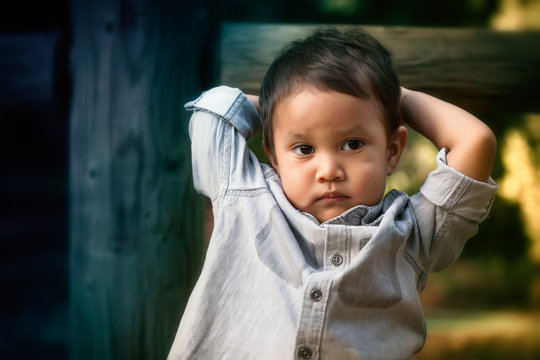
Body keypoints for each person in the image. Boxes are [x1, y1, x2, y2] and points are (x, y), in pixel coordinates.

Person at [168, 28, 497, 360]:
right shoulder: (246, 196)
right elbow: (213, 112)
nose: (328, 171)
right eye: (304, 148)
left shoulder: (413, 234)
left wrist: (399, 98)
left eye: (352, 144)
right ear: (274, 156)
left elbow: (475, 141)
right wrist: (281, 107)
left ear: (392, 150)